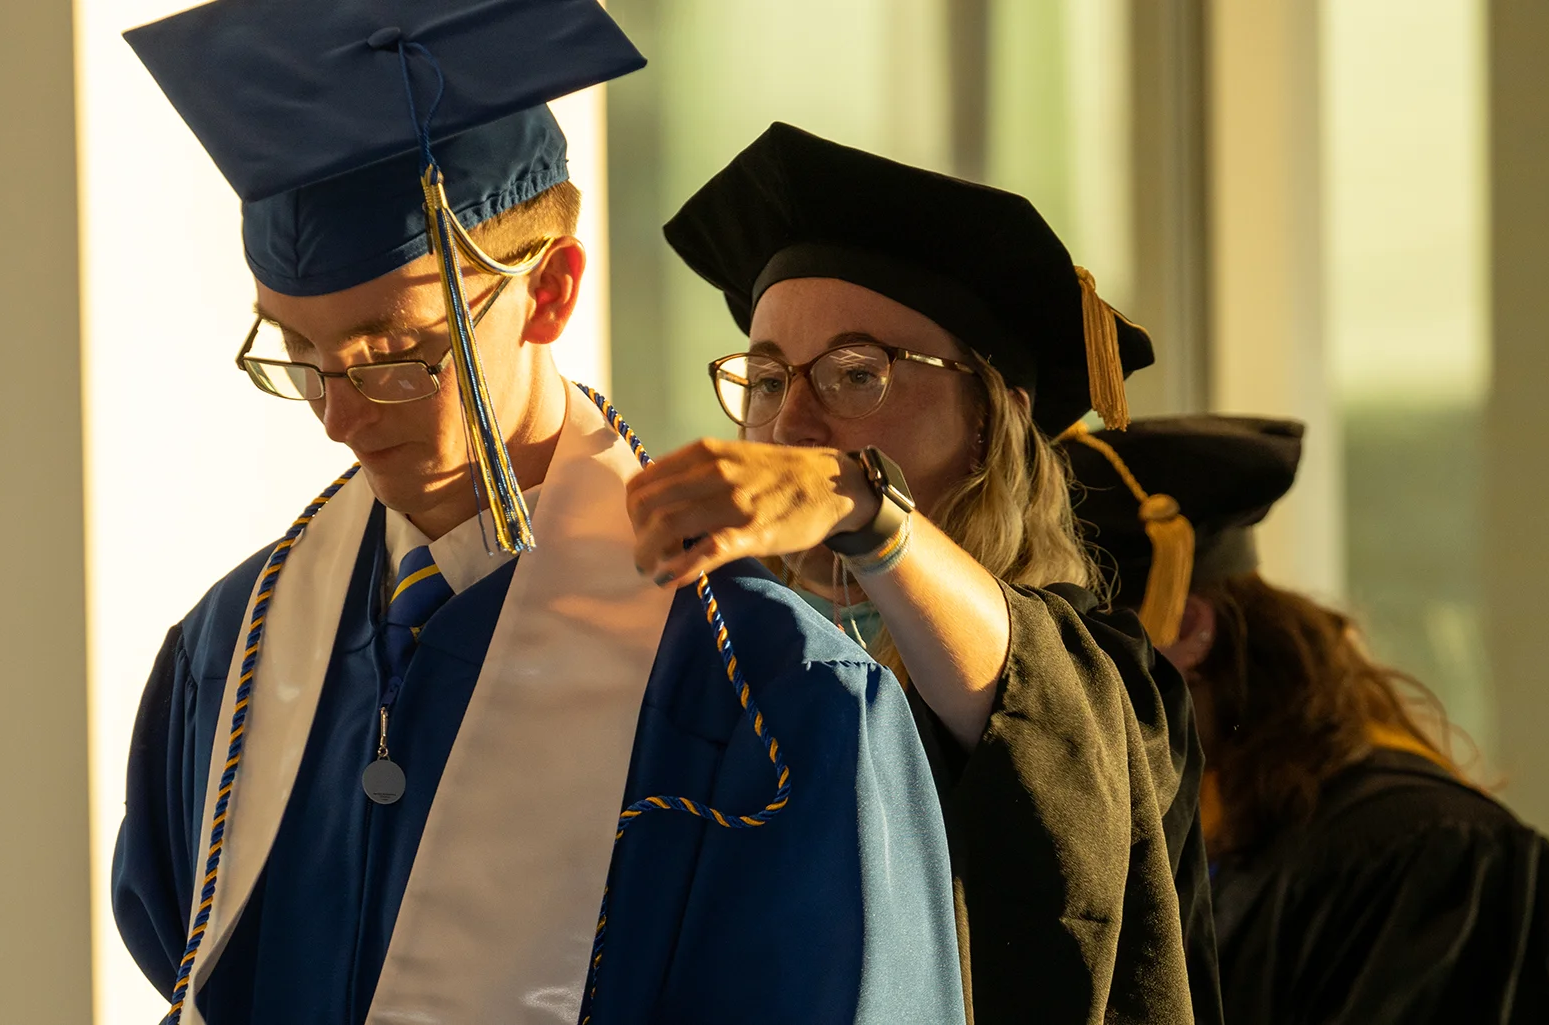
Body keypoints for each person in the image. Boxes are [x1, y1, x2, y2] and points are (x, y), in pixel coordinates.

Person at [109, 5, 963, 1025]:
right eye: (297, 354)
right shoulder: (233, 651)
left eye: (392, 358)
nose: (337, 418)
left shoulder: (767, 689)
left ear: (550, 291)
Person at [642, 123, 1221, 1024]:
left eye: (855, 372)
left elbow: (1042, 727)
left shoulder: (1105, 681)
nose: (790, 420)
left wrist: (865, 507)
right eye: (765, 377)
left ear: (992, 414)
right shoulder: (720, 653)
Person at [1060, 414, 1549, 1025]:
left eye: (1077, 636)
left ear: (1188, 628)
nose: (1054, 673)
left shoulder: (1429, 852)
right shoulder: (1195, 824)